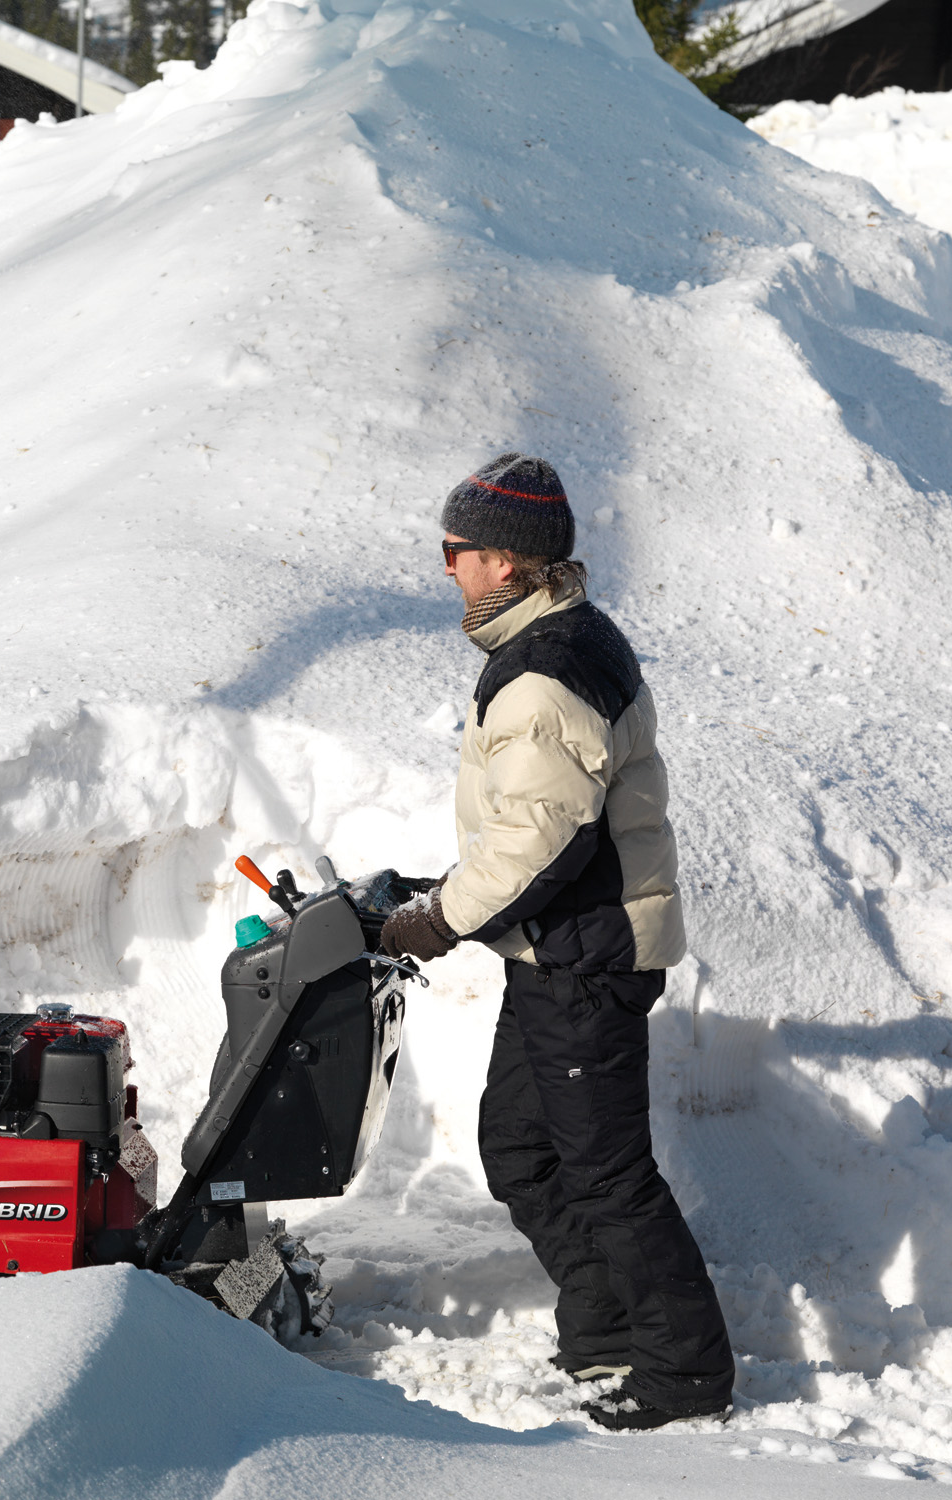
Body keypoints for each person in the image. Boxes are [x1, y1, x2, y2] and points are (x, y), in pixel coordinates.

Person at [379, 451, 735, 1430]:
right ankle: (607, 1332)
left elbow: (545, 840)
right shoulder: (556, 642)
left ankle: (683, 1379)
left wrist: (438, 919)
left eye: (453, 550)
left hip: (588, 958)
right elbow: (536, 820)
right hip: (558, 954)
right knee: (523, 1148)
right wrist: (447, 891)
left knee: (607, 1172)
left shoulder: (544, 673)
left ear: (502, 560)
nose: (444, 567)